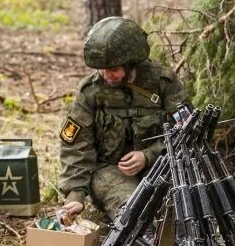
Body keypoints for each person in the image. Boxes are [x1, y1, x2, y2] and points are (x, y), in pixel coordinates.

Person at [56, 16, 189, 222]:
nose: (107, 75)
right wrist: (76, 194)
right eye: (102, 68)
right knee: (132, 210)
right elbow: (76, 146)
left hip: (160, 166)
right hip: (109, 171)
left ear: (130, 64)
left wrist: (149, 155)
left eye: (114, 69)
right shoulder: (90, 91)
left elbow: (186, 130)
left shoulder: (162, 83)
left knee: (176, 209)